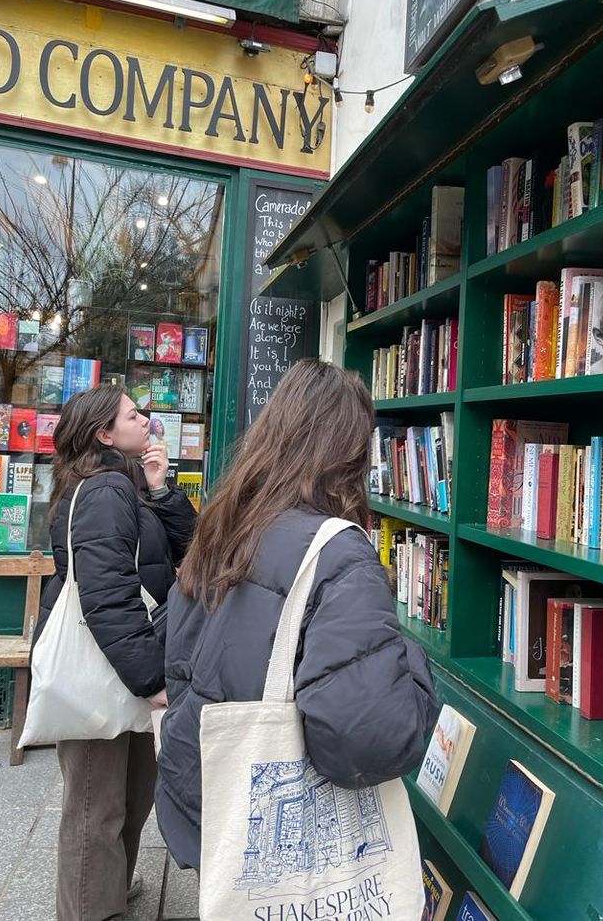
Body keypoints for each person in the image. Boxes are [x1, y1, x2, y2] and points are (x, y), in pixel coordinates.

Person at [156, 358, 438, 870]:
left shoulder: (227, 519)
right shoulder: (341, 554)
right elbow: (368, 741)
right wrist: (413, 664)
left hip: (205, 789)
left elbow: (179, 658)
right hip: (278, 837)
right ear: (350, 454)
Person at [35, 383, 197, 921]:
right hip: (106, 670)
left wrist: (160, 488)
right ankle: (88, 906)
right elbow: (106, 597)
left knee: (129, 796)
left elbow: (189, 551)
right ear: (105, 433)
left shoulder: (125, 485)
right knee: (94, 810)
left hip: (123, 667)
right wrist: (152, 680)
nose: (145, 418)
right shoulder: (103, 490)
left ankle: (107, 888)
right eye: (133, 414)